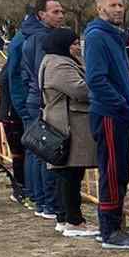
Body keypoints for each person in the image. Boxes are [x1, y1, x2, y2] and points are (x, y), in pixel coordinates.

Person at [84, 0, 129, 249]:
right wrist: (123, 107)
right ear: (100, 9)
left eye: (121, 4)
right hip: (110, 116)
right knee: (112, 171)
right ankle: (110, 230)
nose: (119, 9)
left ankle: (112, 225)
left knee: (119, 172)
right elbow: (97, 80)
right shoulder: (97, 37)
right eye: (113, 5)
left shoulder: (113, 36)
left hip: (119, 115)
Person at [39, 28, 99, 238]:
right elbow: (80, 90)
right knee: (70, 174)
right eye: (74, 43)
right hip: (67, 126)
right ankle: (74, 221)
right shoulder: (59, 64)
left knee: (68, 174)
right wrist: (103, 88)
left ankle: (65, 218)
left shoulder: (55, 61)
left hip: (67, 124)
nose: (77, 47)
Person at [22, 0, 66, 219]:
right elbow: (45, 74)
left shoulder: (29, 37)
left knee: (36, 152)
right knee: (45, 153)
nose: (60, 16)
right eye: (55, 12)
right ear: (42, 15)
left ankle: (39, 199)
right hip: (42, 101)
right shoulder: (42, 39)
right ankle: (48, 203)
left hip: (33, 99)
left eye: (61, 12)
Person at [5, 7, 37, 207]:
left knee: (30, 152)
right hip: (22, 107)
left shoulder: (24, 39)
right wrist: (23, 108)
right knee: (30, 152)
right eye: (56, 11)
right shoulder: (24, 40)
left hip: (21, 106)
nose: (60, 16)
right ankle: (27, 191)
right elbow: (14, 79)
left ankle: (30, 192)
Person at [0, 45, 27, 203]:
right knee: (19, 154)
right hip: (12, 115)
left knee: (19, 154)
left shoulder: (8, 68)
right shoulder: (13, 71)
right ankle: (20, 187)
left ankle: (20, 186)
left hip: (9, 114)